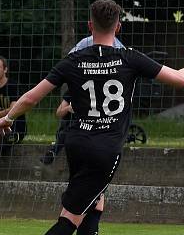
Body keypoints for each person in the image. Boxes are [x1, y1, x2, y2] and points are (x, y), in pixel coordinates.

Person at [0, 0, 184, 235]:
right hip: (105, 149)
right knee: (69, 218)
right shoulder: (129, 58)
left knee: (94, 205)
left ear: (89, 26)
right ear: (118, 27)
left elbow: (31, 97)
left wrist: (7, 117)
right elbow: (182, 79)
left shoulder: (75, 59)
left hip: (77, 143)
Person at [41, 37, 126, 165]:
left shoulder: (105, 89)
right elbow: (59, 113)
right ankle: (54, 151)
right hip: (77, 126)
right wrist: (69, 108)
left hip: (98, 125)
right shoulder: (73, 90)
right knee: (67, 125)